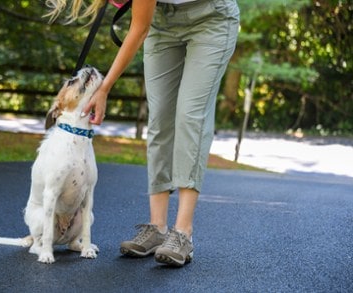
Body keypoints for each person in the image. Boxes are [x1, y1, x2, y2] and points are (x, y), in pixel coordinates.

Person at [46, 0, 240, 267]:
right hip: (163, 21)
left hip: (211, 17)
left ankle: (183, 233)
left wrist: (103, 88)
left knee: (189, 115)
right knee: (159, 119)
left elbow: (138, 29)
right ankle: (157, 227)